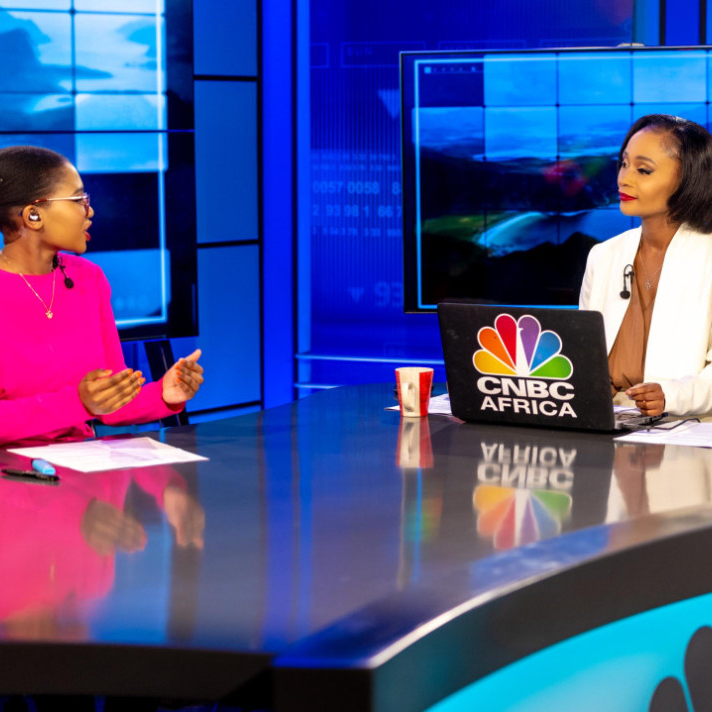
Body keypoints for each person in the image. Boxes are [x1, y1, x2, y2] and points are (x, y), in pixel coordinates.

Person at [0, 146, 204, 446]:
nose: (90, 211)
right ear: (33, 214)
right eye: (78, 200)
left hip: (83, 464)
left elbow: (110, 400)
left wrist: (164, 393)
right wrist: (77, 403)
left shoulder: (88, 278)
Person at [579, 114, 712, 419]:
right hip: (605, 423)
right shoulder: (603, 256)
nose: (624, 179)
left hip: (686, 429)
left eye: (643, 170)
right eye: (624, 164)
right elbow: (583, 354)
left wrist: (671, 395)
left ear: (688, 179)